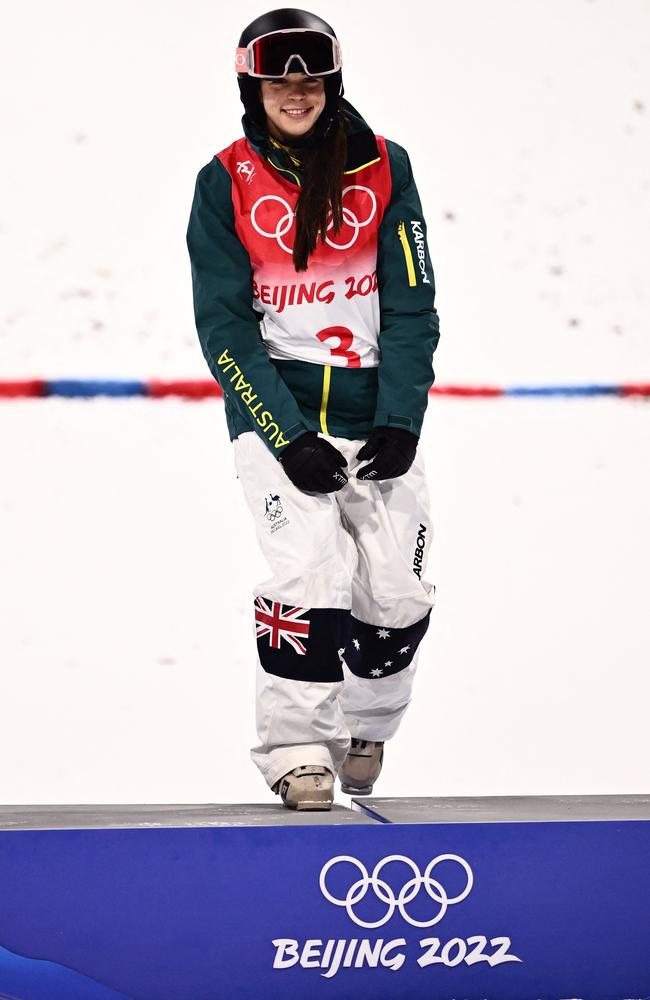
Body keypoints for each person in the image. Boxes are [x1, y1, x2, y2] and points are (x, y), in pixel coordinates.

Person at [186, 7, 440, 810]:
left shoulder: (387, 169)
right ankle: (297, 749)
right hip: (281, 416)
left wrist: (401, 418)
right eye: (276, 78)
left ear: (331, 81)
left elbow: (412, 303)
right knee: (310, 576)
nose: (294, 92)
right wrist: (287, 437)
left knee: (397, 594)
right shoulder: (223, 181)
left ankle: (367, 725)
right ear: (251, 84)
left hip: (375, 412)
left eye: (309, 76)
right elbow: (223, 325)